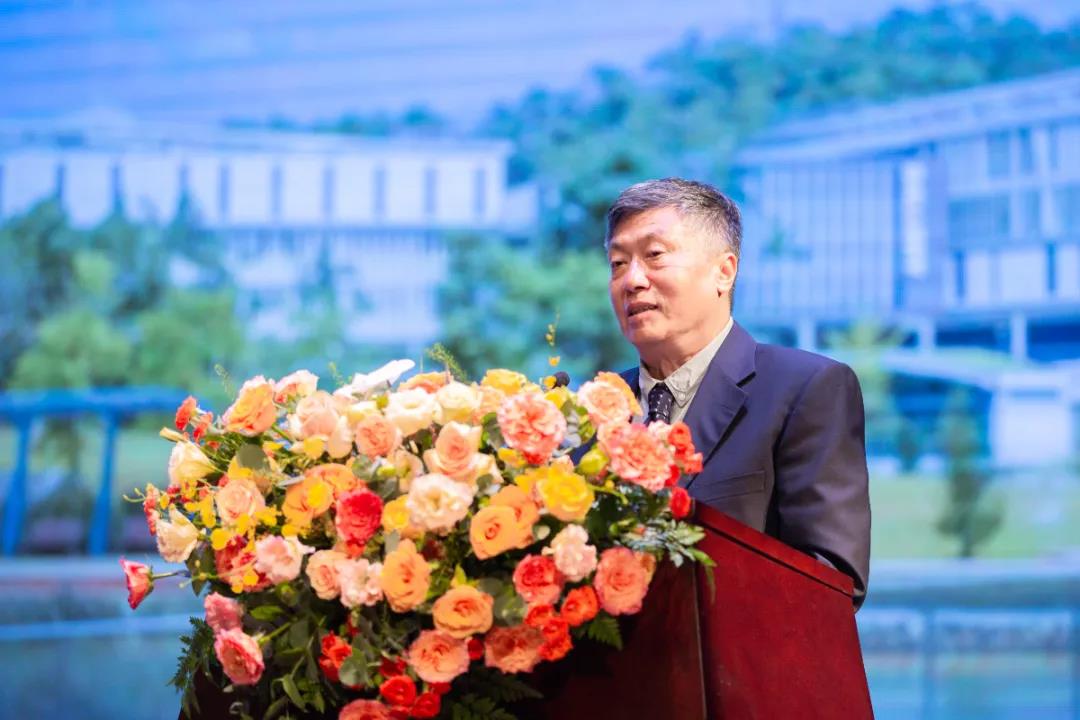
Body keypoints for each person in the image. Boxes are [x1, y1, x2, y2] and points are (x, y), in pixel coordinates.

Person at [605, 177, 870, 609]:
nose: (632, 280)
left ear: (723, 272)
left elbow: (831, 583)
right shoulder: (594, 412)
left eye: (654, 256)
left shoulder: (805, 389)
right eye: (618, 263)